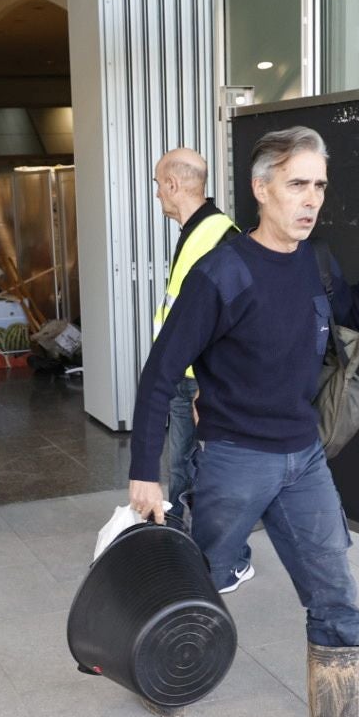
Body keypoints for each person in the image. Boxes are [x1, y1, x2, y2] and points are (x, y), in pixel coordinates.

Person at [126, 126, 359, 717]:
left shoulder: (316, 262)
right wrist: (146, 472)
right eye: (296, 185)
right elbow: (161, 374)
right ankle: (159, 668)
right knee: (199, 579)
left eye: (318, 185)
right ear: (261, 189)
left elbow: (344, 319)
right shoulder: (221, 272)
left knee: (337, 599)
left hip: (303, 460)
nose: (310, 200)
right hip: (234, 460)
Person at [150, 148, 248, 585]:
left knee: (210, 473)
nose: (156, 194)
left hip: (198, 383)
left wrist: (209, 387)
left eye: (157, 185)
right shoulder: (196, 231)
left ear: (173, 184)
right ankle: (183, 551)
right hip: (182, 378)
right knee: (182, 470)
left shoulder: (220, 236)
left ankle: (233, 558)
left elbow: (234, 320)